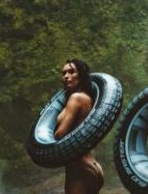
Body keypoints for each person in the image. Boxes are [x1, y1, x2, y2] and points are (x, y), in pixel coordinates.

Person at [55, 59, 104, 194]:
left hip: (78, 169)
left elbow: (60, 134)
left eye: (71, 72)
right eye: (64, 73)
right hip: (92, 164)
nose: (66, 76)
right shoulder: (87, 98)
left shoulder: (75, 98)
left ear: (81, 75)